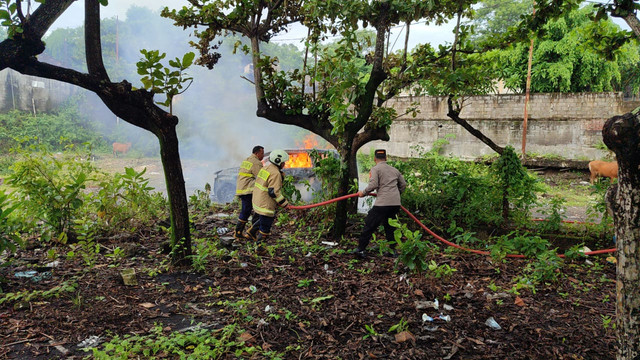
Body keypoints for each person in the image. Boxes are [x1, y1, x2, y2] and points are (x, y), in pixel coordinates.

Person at [354, 149, 407, 258]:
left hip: (383, 203)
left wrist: (363, 193)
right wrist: (395, 194)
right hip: (395, 204)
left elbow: (373, 184)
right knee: (390, 227)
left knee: (369, 224)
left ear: (375, 159)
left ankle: (360, 250)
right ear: (386, 158)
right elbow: (403, 185)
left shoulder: (375, 169)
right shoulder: (394, 170)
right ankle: (393, 251)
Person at [245, 149, 290, 242]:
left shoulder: (265, 168)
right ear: (278, 161)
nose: (284, 164)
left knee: (262, 219)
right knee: (266, 225)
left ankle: (251, 232)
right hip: (265, 204)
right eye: (283, 162)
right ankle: (260, 247)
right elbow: (273, 192)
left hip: (257, 200)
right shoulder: (276, 173)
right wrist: (285, 204)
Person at [232, 145, 265, 241]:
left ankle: (241, 232)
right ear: (257, 153)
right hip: (248, 189)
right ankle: (244, 232)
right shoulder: (256, 162)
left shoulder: (247, 159)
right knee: (250, 209)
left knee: (247, 210)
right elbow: (261, 177)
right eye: (262, 153)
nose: (262, 156)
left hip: (242, 188)